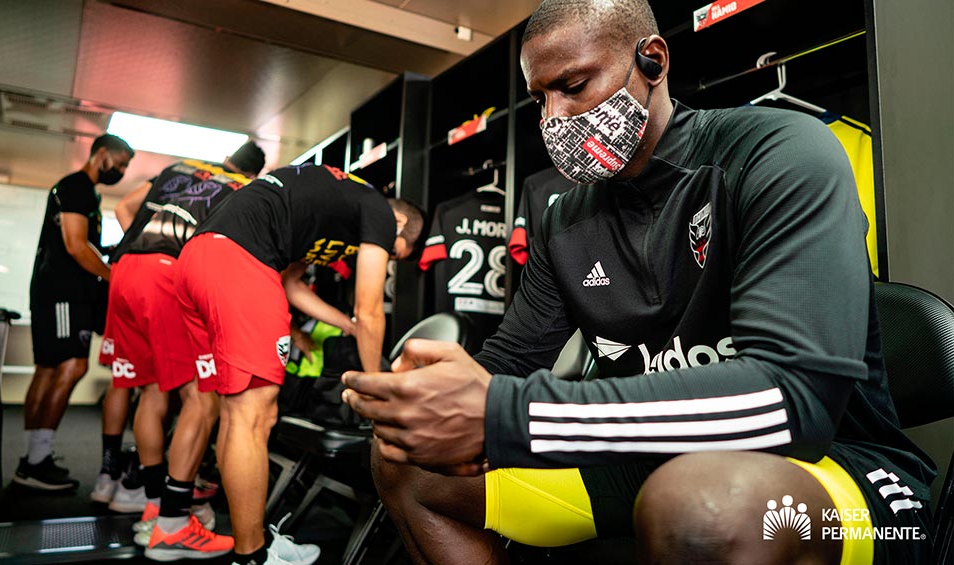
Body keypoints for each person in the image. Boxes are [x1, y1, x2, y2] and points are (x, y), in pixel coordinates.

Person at [340, 1, 936, 564]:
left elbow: (792, 402)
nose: (554, 119)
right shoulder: (563, 220)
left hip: (838, 470)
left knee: (703, 506)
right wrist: (425, 400)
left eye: (574, 86)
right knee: (405, 465)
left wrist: (509, 416)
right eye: (540, 98)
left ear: (652, 61)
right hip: (650, 461)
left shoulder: (777, 152)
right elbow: (513, 359)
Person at [144, 163, 424, 565]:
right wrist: (376, 387)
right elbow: (370, 309)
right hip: (240, 262)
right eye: (392, 252)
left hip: (197, 260)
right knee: (254, 417)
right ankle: (253, 556)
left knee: (235, 412)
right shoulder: (379, 209)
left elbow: (292, 284)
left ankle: (199, 532)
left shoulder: (333, 209)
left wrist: (346, 325)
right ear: (399, 224)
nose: (386, 258)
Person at [92, 143, 265, 537]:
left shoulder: (179, 168)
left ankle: (150, 499)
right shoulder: (241, 188)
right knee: (202, 399)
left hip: (125, 269)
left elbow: (124, 208)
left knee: (151, 390)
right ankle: (173, 516)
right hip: (167, 272)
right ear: (253, 173)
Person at [14, 134, 133, 491]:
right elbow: (76, 246)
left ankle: (34, 456)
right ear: (101, 154)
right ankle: (36, 461)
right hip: (64, 294)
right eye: (120, 163)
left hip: (55, 291)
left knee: (48, 369)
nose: (121, 171)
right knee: (72, 366)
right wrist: (115, 278)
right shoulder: (77, 186)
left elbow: (84, 243)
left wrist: (108, 251)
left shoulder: (83, 192)